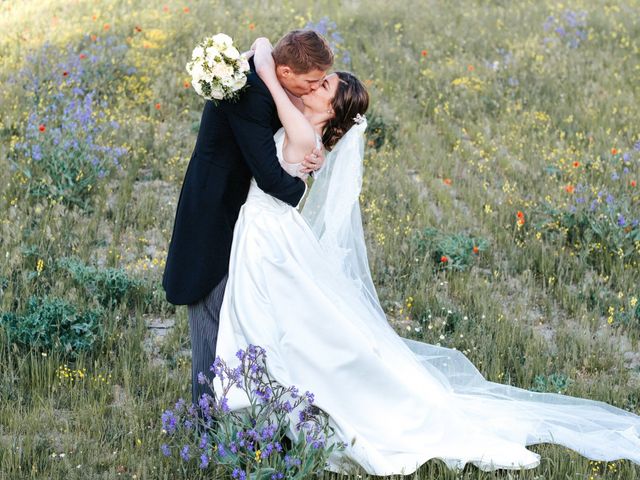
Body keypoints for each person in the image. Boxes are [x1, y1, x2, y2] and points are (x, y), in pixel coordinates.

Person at [213, 38, 640, 475]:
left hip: (269, 236)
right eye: (317, 81)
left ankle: (263, 406)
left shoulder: (305, 134)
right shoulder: (310, 129)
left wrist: (262, 61)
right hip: (266, 233)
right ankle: (260, 403)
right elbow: (285, 95)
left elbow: (276, 87)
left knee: (280, 321)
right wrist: (259, 52)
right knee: (279, 321)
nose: (312, 88)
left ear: (331, 112)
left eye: (323, 87)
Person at [162, 30, 334, 405]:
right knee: (213, 315)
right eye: (311, 82)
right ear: (285, 71)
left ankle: (238, 408)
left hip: (241, 213)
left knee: (239, 318)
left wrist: (311, 151)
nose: (316, 88)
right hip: (215, 210)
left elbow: (284, 133)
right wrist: (302, 184)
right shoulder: (252, 93)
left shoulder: (264, 79)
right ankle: (208, 418)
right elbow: (272, 179)